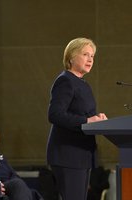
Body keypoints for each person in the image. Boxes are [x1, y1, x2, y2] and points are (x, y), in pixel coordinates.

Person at [46, 37, 108, 200]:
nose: (90, 59)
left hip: (81, 154)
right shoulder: (65, 80)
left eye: (92, 56)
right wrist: (87, 121)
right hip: (68, 154)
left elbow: (83, 114)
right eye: (85, 54)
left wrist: (96, 119)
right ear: (71, 57)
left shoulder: (83, 84)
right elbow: (55, 114)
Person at [0, 124, 43, 200]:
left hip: (10, 186)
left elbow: (13, 174)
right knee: (18, 185)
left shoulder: (0, 157)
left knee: (29, 191)